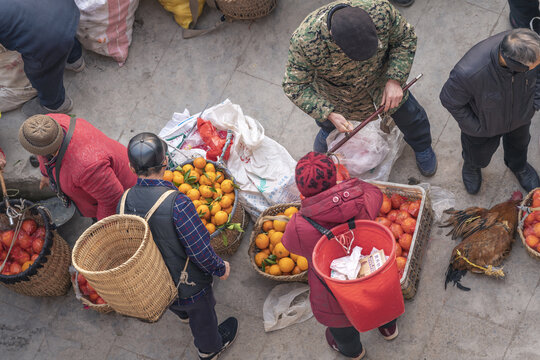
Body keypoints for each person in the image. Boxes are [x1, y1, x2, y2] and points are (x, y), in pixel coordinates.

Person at [282, 0, 437, 177]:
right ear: (332, 36)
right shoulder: (305, 41)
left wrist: (395, 79)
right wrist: (328, 113)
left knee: (412, 118)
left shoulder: (380, 10)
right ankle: (328, 131)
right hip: (338, 99)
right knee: (328, 126)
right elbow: (294, 85)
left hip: (383, 88)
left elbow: (405, 38)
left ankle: (422, 145)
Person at [120, 132, 238, 360]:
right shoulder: (178, 203)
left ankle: (182, 314)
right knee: (202, 316)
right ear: (165, 162)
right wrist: (219, 268)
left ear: (131, 168)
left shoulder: (124, 200)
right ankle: (209, 349)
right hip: (187, 280)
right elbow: (198, 249)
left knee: (174, 301)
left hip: (154, 277)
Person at [281, 152, 398, 360]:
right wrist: (349, 187)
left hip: (334, 293)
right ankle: (388, 330)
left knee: (343, 329)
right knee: (380, 306)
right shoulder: (360, 200)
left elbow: (289, 245)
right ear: (335, 176)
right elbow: (375, 194)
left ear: (301, 190)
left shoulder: (298, 226)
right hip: (370, 276)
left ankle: (354, 352)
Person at [440, 29, 540, 194]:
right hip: (484, 126)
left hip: (521, 116)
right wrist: (477, 128)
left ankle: (519, 166)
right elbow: (449, 100)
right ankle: (472, 165)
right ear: (515, 66)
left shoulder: (532, 50)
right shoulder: (468, 72)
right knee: (477, 153)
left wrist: (534, 103)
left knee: (520, 145)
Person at [18, 114, 137, 220]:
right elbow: (43, 151)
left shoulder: (86, 167)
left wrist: (102, 226)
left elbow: (112, 199)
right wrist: (46, 174)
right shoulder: (50, 123)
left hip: (126, 190)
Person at [0, 0, 84, 116]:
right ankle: (75, 60)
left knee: (42, 73)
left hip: (48, 39)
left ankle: (56, 104)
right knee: (62, 32)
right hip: (68, 9)